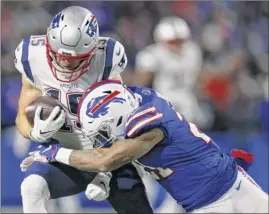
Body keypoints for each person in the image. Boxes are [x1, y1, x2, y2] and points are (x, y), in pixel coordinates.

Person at [27, 80, 268, 213]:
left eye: (103, 131)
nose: (103, 138)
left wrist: (57, 152)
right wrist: (103, 178)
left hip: (223, 193)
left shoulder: (147, 124)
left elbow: (106, 158)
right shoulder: (136, 98)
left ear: (121, 118)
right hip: (218, 189)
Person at [16, 6, 153, 214]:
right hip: (61, 152)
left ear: (91, 51)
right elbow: (21, 115)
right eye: (57, 54)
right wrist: (35, 133)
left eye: (72, 59)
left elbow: (123, 122)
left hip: (105, 152)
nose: (63, 61)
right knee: (31, 187)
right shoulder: (31, 56)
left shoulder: (106, 58)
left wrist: (105, 171)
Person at [133, 17, 205, 126]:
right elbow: (140, 85)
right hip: (162, 102)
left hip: (188, 102)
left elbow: (198, 79)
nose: (177, 45)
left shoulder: (193, 51)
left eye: (181, 41)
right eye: (172, 42)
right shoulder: (151, 54)